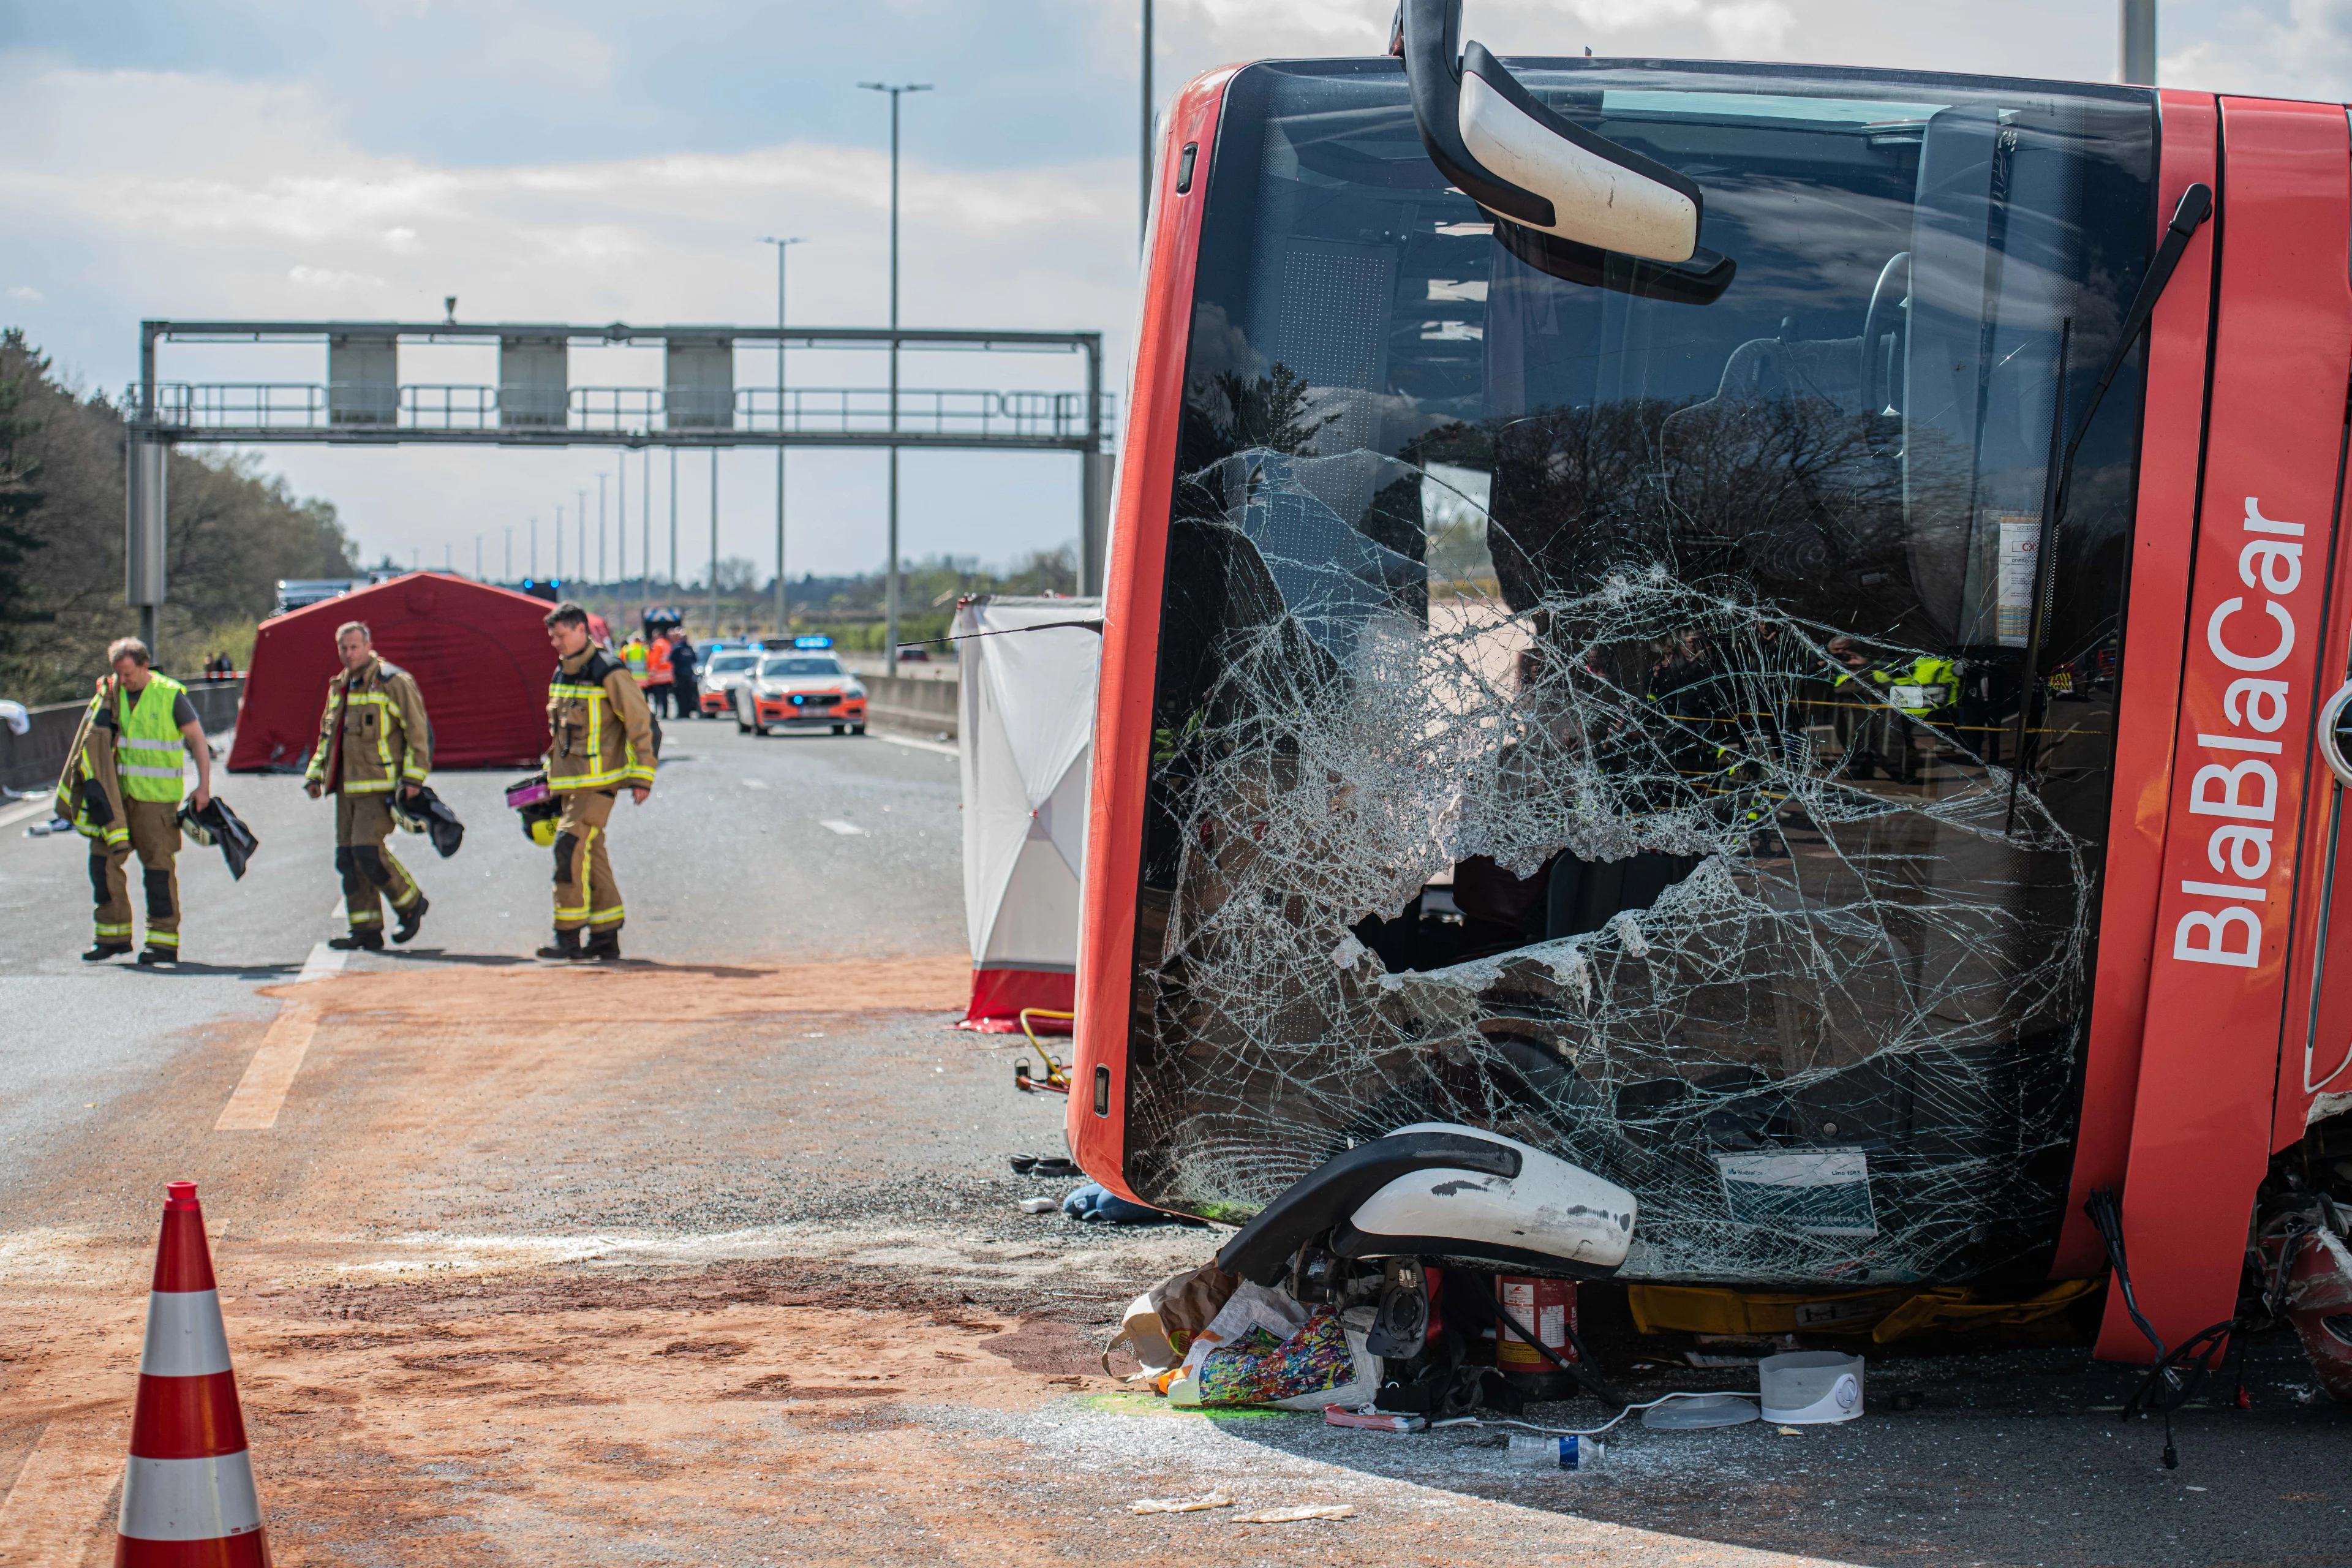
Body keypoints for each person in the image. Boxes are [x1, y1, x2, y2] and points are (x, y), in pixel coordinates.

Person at [60, 637, 211, 965]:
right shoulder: (109, 696)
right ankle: (112, 936)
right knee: (102, 863)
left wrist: (204, 787)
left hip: (156, 802)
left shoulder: (170, 695)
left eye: (128, 674)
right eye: (118, 675)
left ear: (144, 666)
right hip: (115, 799)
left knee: (158, 870)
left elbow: (198, 741)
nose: (122, 681)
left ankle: (162, 942)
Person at [304, 620, 433, 951]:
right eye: (343, 648)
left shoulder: (393, 682)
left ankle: (411, 903)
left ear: (368, 645)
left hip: (379, 788)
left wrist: (414, 778)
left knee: (367, 851)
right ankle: (365, 929)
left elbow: (418, 734)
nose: (349, 654)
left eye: (354, 647)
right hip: (346, 789)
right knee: (347, 858)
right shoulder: (340, 687)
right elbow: (327, 739)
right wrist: (315, 775)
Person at [538, 601, 655, 961]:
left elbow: (640, 722)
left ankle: (568, 936)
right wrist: (544, 779)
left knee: (568, 848)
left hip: (599, 785)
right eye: (551, 637)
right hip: (570, 784)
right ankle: (605, 936)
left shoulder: (608, 670)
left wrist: (642, 775)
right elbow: (561, 736)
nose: (555, 643)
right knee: (593, 852)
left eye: (561, 636)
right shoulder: (562, 672)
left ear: (581, 630)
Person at [667, 628, 700, 721]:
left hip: (679, 676)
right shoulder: (689, 648)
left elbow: (670, 659)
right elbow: (695, 660)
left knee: (680, 695)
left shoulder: (677, 648)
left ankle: (681, 713)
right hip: (688, 676)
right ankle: (687, 713)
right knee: (688, 695)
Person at [644, 624, 674, 718]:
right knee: (665, 696)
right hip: (667, 676)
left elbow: (654, 661)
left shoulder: (657, 645)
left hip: (658, 677)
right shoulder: (667, 644)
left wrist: (651, 675)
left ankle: (660, 713)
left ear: (657, 635)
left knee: (659, 697)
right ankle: (666, 713)